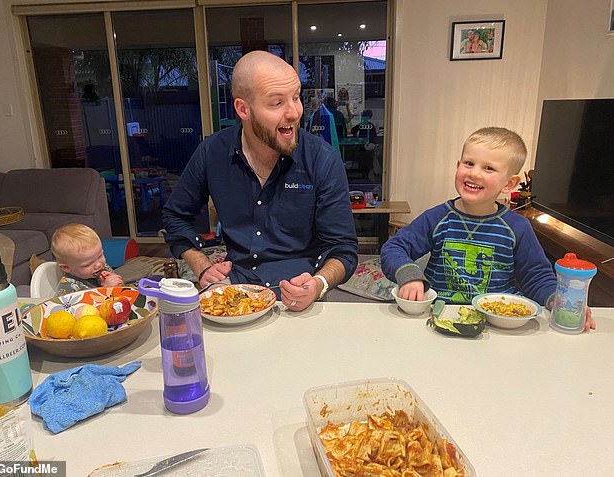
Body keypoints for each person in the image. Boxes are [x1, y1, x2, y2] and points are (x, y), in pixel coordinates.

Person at [162, 51, 358, 312]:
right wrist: (201, 264)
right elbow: (175, 216)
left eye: (296, 97)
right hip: (237, 295)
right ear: (243, 109)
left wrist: (319, 283)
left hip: (301, 299)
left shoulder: (322, 159)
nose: (294, 113)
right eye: (277, 103)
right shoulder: (212, 153)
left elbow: (343, 249)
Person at [380, 127, 595, 331]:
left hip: (499, 324)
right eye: (468, 163)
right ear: (457, 166)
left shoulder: (517, 227)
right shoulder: (436, 218)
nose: (474, 173)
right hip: (440, 316)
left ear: (509, 184)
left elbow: (536, 275)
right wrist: (409, 275)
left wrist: (556, 299)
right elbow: (394, 248)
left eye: (488, 168)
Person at [51, 223, 124, 295]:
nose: (98, 265)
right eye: (88, 264)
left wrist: (116, 282)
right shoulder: (68, 288)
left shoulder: (102, 268)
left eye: (100, 256)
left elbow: (122, 289)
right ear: (66, 267)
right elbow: (86, 306)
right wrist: (105, 290)